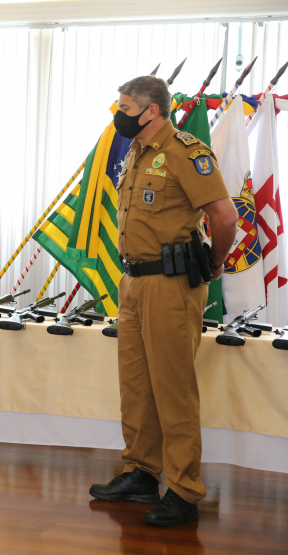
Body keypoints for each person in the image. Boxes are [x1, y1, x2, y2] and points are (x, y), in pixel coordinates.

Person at [89, 76, 237, 526]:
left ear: (151, 110)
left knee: (173, 388)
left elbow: (224, 217)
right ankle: (140, 472)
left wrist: (215, 265)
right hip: (133, 282)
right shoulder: (136, 152)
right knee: (136, 385)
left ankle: (185, 489)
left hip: (171, 285)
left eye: (125, 107)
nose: (118, 114)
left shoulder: (185, 152)